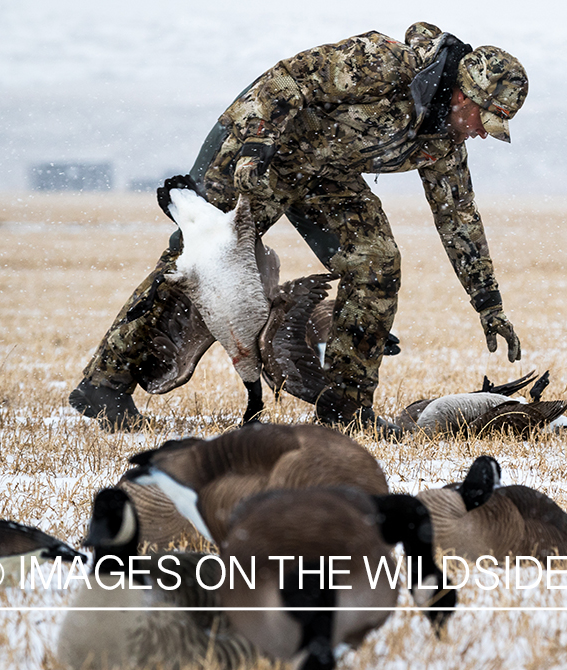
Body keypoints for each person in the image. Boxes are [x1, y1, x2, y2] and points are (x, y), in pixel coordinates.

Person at [69, 22, 527, 432]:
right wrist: (255, 146)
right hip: (265, 148)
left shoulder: (445, 141)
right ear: (466, 95)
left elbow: (459, 217)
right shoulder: (386, 63)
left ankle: (346, 408)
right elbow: (286, 79)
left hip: (327, 176)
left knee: (377, 265)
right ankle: (105, 384)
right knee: (197, 260)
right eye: (483, 121)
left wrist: (489, 304)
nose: (481, 133)